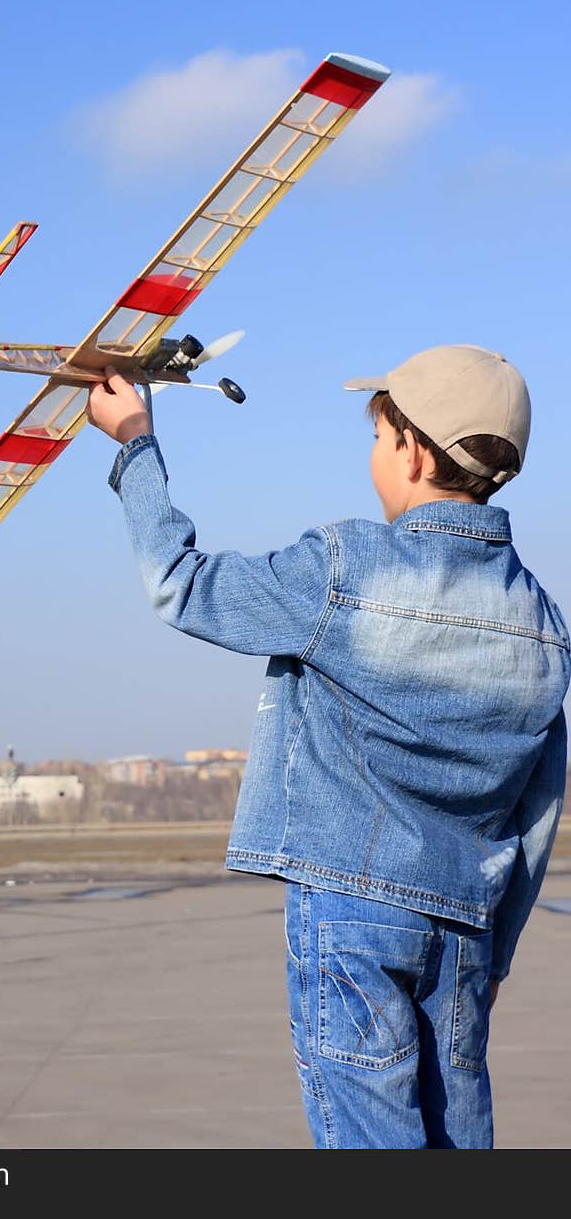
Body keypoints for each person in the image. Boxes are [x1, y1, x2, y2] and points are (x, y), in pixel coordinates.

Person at [86, 344, 569, 1150]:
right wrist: (490, 957)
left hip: (353, 911)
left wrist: (136, 441)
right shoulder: (544, 625)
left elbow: (181, 581)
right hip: (467, 928)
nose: (376, 456)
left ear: (412, 451)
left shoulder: (345, 568)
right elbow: (536, 817)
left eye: (379, 439)